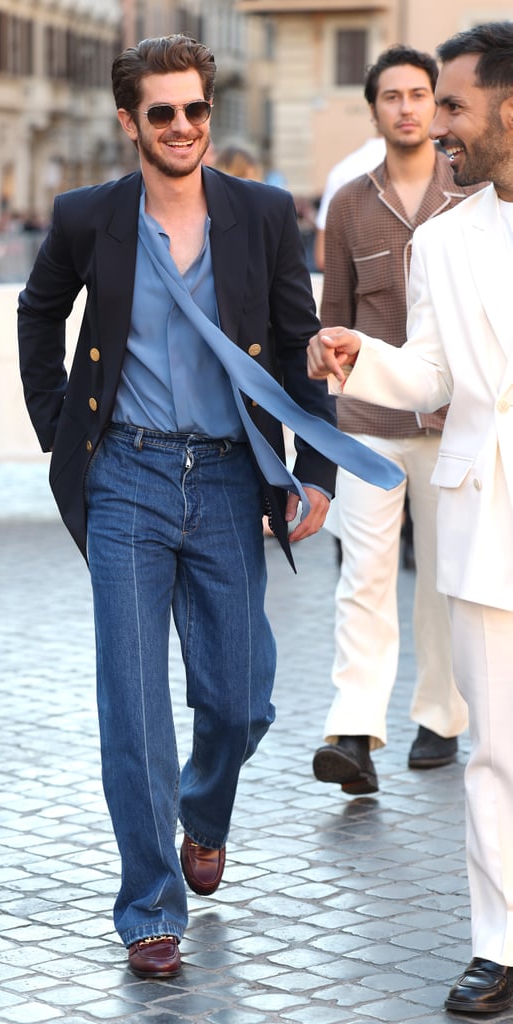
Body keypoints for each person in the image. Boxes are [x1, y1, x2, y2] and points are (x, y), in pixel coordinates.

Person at [18, 33, 402, 979]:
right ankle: (150, 906)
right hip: (127, 481)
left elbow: (300, 346)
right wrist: (58, 427)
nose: (182, 126)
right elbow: (37, 313)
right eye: (162, 113)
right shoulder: (86, 218)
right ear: (129, 123)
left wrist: (314, 472)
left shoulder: (263, 215)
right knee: (134, 704)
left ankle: (203, 807)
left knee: (240, 701)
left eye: (194, 109)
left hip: (232, 480)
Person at [307, 21, 513, 1014]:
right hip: (481, 516)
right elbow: (430, 367)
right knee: (493, 753)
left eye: (454, 107)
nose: (438, 127)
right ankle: (496, 945)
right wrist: (363, 356)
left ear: (508, 110)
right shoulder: (439, 239)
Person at [311, 45, 475, 797]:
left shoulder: (472, 194)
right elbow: (333, 320)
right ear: (372, 108)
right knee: (362, 574)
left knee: (442, 581)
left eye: (421, 95)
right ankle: (352, 729)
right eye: (392, 96)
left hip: (451, 424)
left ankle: (441, 717)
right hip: (368, 422)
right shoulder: (346, 204)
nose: (408, 108)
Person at [313, 135, 386, 271]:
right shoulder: (345, 172)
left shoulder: (344, 171)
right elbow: (324, 254)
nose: (407, 111)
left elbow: (323, 256)